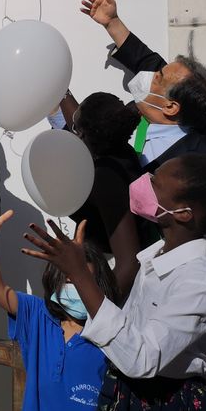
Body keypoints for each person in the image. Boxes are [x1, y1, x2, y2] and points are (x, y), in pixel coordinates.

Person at [22, 153, 206, 411]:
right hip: (128, 393)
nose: (144, 183)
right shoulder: (155, 254)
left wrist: (81, 275)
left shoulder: (200, 282)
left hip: (167, 402)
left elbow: (141, 358)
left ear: (184, 213)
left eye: (155, 184)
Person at [0, 208, 116, 411]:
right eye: (68, 280)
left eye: (82, 281)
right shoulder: (38, 315)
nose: (74, 286)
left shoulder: (111, 331)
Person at [79, 0, 206, 168]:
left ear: (171, 107)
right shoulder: (131, 117)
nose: (148, 74)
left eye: (157, 76)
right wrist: (112, 22)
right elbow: (143, 58)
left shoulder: (188, 162)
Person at [69, 93, 144, 295]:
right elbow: (79, 119)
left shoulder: (106, 177)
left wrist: (98, 314)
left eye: (74, 129)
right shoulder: (121, 151)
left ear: (83, 134)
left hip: (112, 284)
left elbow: (129, 263)